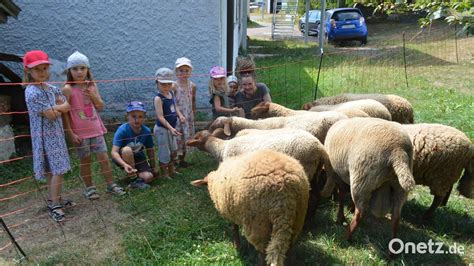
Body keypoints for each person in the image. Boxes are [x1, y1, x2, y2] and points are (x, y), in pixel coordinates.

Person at [62, 51, 125, 199]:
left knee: (103, 157)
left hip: (96, 129)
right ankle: (89, 188)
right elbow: (65, 113)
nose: (79, 72)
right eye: (75, 68)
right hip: (80, 133)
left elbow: (100, 106)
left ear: (88, 70)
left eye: (82, 68)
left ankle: (111, 185)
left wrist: (93, 95)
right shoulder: (67, 89)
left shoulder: (92, 85)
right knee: (86, 160)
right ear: (69, 71)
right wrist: (70, 133)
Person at [23, 50, 71, 222]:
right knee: (57, 169)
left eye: (45, 68)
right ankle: (55, 205)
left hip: (56, 134)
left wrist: (57, 108)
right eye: (38, 69)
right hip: (45, 137)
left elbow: (66, 105)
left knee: (54, 168)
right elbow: (52, 113)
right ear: (28, 71)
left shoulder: (51, 88)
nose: (42, 72)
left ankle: (54, 199)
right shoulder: (32, 92)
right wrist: (58, 108)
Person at [111, 101, 158, 189]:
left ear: (144, 117)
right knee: (127, 150)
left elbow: (150, 149)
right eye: (133, 116)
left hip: (139, 158)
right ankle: (133, 179)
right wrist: (124, 164)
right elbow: (114, 152)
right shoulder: (122, 130)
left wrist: (153, 167)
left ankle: (135, 175)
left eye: (140, 117)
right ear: (127, 116)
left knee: (149, 177)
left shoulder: (146, 131)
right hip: (123, 157)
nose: (137, 119)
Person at [153, 67, 185, 179]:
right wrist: (171, 128)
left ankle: (172, 170)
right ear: (157, 82)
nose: (166, 87)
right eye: (163, 84)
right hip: (163, 129)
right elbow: (160, 117)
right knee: (164, 151)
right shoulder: (158, 98)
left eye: (168, 84)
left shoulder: (171, 93)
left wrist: (180, 115)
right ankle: (164, 174)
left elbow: (175, 106)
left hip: (172, 128)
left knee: (173, 150)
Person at [173, 57, 196, 168]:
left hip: (188, 115)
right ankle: (174, 159)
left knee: (187, 136)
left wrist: (193, 113)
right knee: (178, 137)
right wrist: (179, 115)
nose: (184, 73)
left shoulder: (192, 86)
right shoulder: (174, 86)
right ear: (176, 72)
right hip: (178, 116)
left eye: (187, 71)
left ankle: (183, 160)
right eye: (181, 70)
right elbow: (173, 103)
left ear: (190, 72)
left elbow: (193, 100)